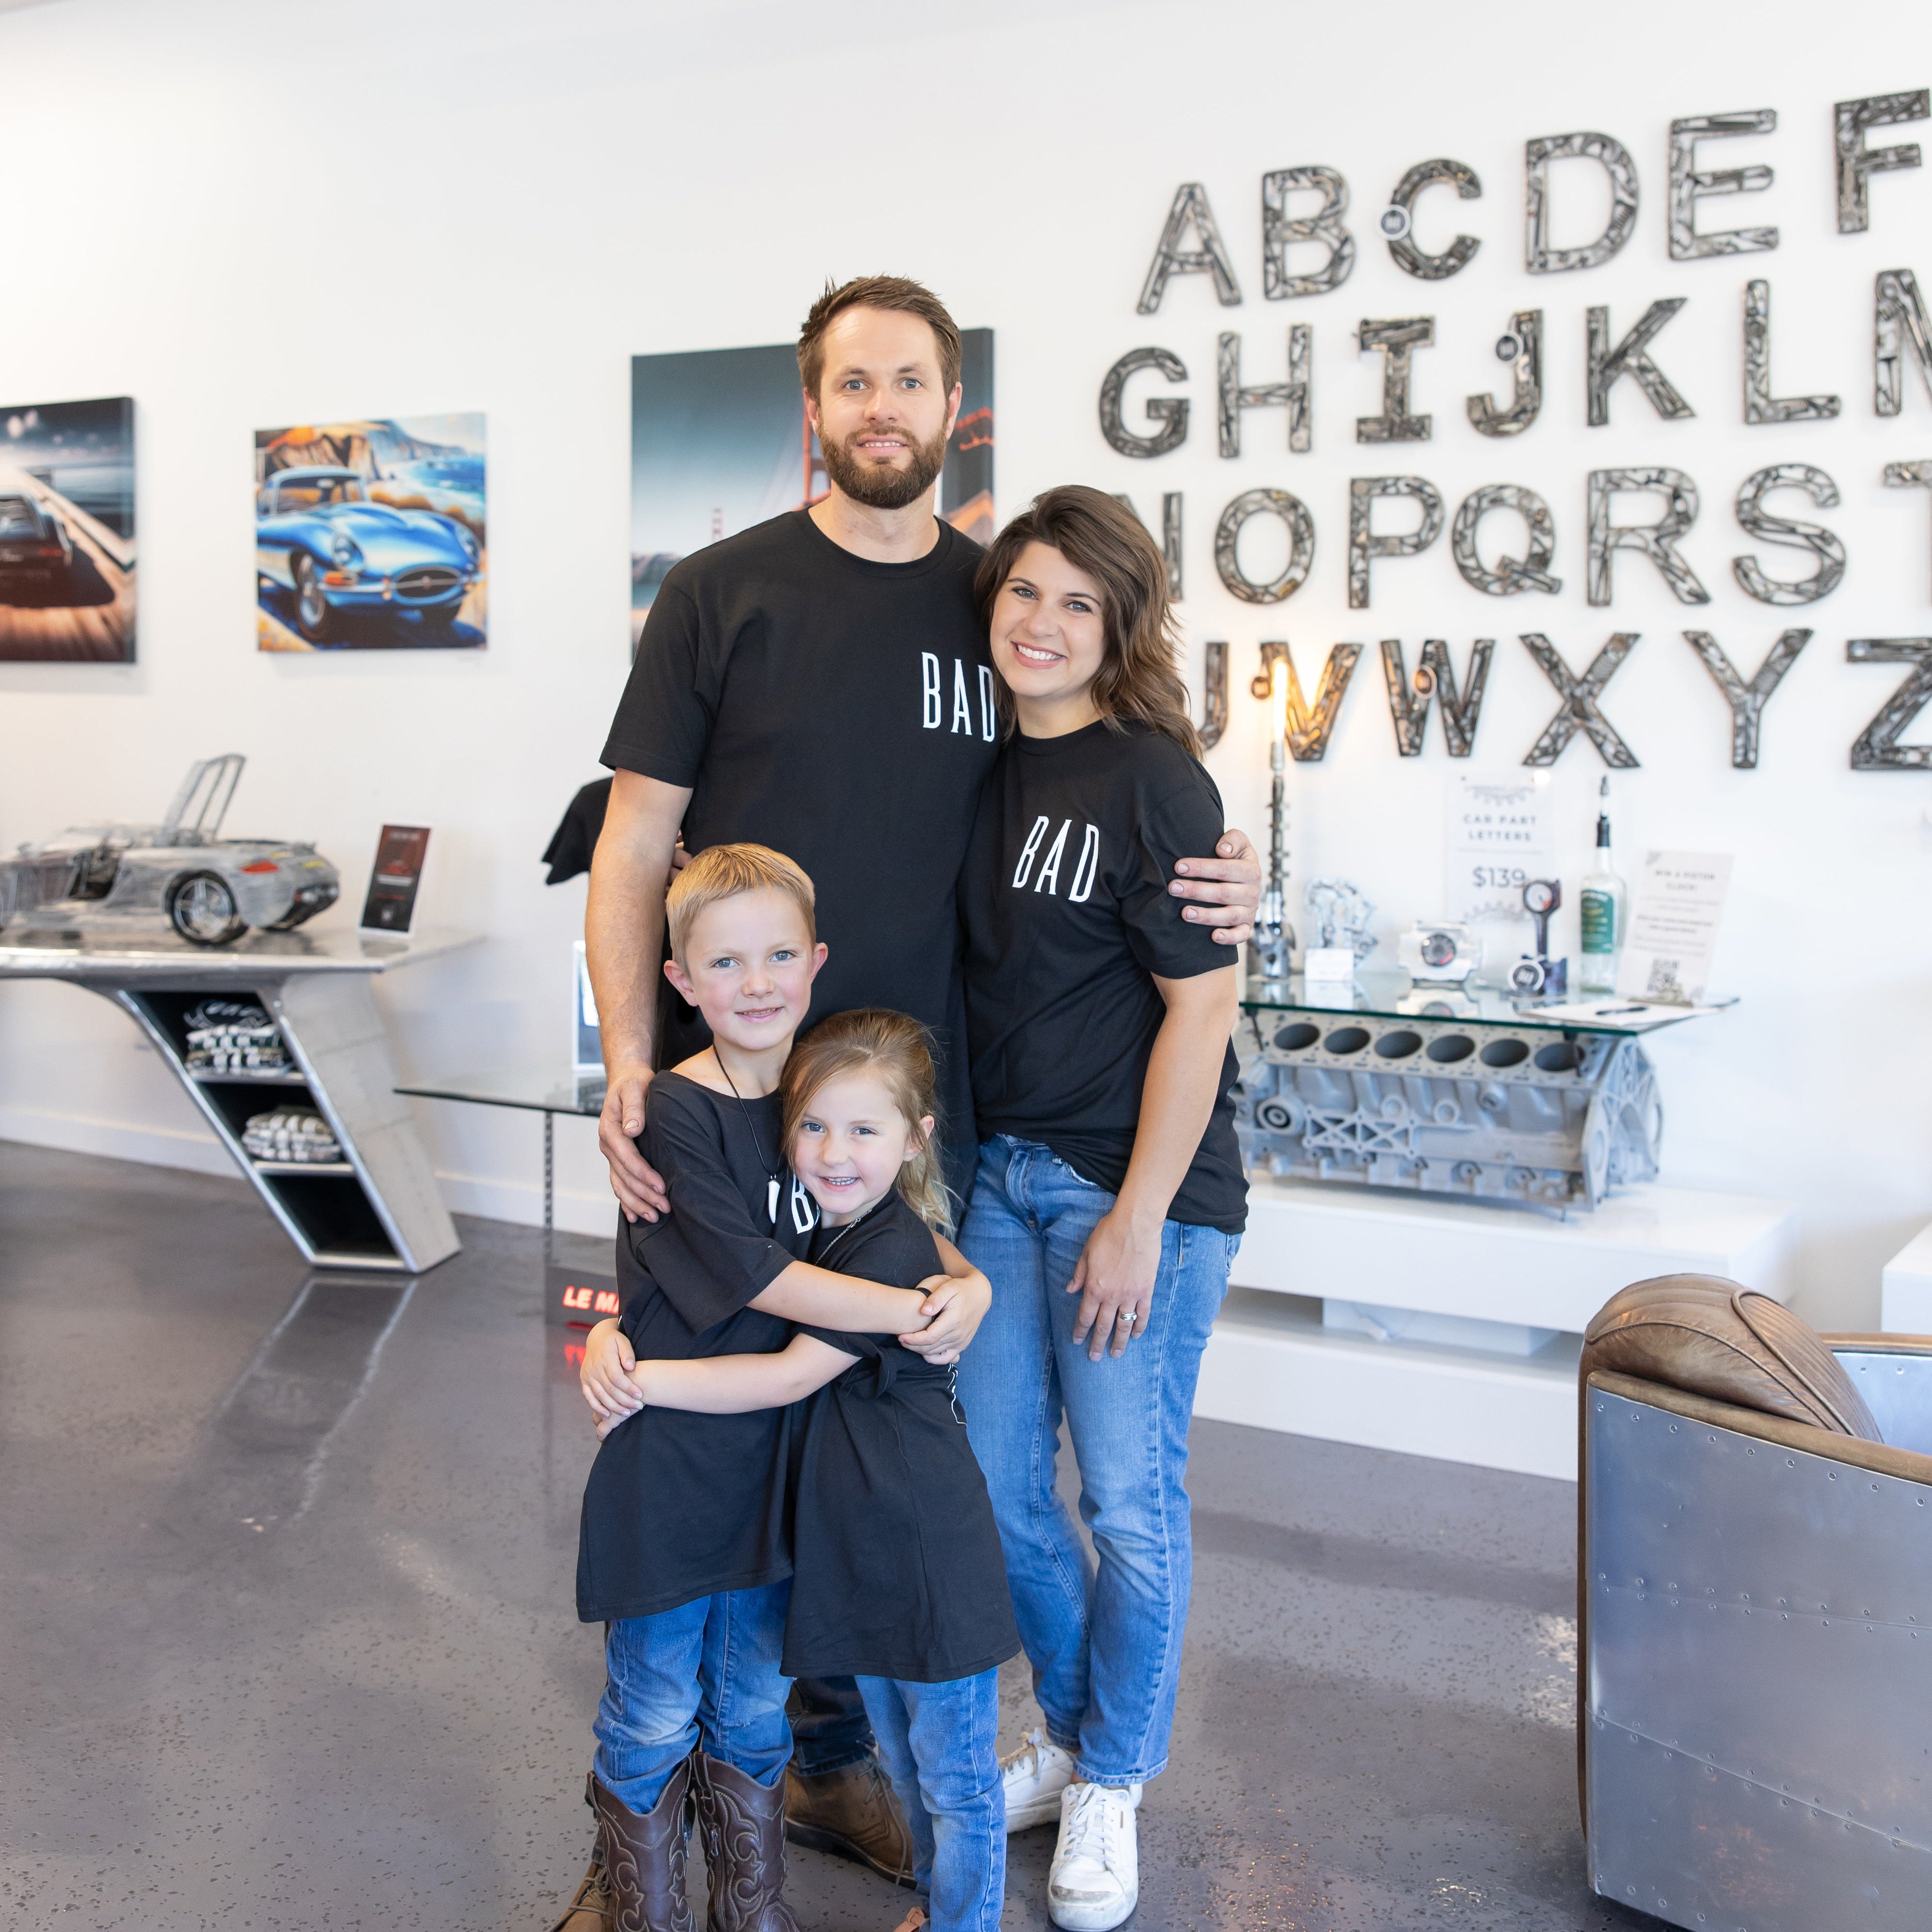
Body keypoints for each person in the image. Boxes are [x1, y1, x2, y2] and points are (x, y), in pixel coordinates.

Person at [586, 273, 1261, 1871]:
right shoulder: (717, 589)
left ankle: (835, 1753)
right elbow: (633, 839)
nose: (878, 407)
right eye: (848, 382)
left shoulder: (993, 602)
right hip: (738, 1095)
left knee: (895, 1432)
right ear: (808, 410)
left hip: (927, 1124)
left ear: (951, 406)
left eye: (908, 380)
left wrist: (1234, 874)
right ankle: (642, 1818)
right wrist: (628, 1055)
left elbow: (1122, 793)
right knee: (706, 1437)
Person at [565, 845, 990, 1932]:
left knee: (756, 1710)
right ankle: (642, 1913)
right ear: (681, 982)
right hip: (674, 1456)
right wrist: (911, 1308)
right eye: (727, 961)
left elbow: (895, 1216)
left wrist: (967, 1280)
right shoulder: (672, 1112)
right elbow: (760, 1275)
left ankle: (751, 1916)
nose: (757, 983)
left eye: (779, 956)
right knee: (654, 1707)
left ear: (816, 963)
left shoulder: (820, 1102)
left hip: (784, 1471)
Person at [953, 489, 1250, 1932]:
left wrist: (1136, 1214)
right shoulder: (976, 769)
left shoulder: (1155, 779)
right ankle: (1074, 1741)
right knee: (1007, 1497)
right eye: (1024, 594)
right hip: (998, 1180)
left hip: (1135, 1194)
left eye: (1078, 602)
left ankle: (1117, 1778)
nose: (1043, 624)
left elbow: (1200, 1010)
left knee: (1129, 1502)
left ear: (1120, 622)